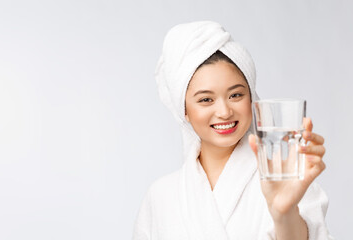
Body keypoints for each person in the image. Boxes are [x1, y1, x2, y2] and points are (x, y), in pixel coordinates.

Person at [132, 21, 333, 240]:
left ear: (251, 98)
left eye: (236, 95)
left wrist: (284, 212)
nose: (225, 111)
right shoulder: (160, 196)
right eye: (206, 99)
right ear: (184, 111)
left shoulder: (286, 178)